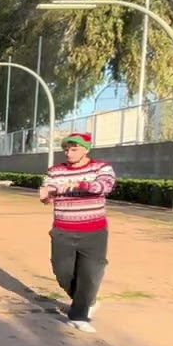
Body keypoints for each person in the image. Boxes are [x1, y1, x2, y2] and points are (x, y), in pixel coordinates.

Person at [39, 132, 115, 333]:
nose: (69, 153)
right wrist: (45, 196)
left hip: (94, 232)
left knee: (90, 274)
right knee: (62, 272)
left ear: (85, 150)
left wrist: (80, 184)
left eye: (74, 149)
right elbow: (49, 193)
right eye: (66, 149)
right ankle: (88, 301)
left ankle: (78, 316)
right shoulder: (55, 171)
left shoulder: (101, 168)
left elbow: (105, 187)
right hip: (63, 231)